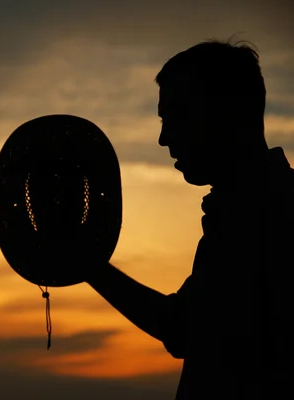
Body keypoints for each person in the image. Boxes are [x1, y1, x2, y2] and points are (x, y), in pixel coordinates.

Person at [86, 40, 294, 399]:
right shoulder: (246, 209)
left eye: (176, 118)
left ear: (225, 115)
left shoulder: (269, 213)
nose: (164, 139)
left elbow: (183, 328)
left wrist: (84, 261)